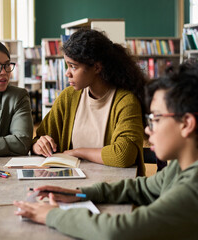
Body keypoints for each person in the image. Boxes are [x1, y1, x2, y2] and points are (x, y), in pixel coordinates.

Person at [14, 61, 198, 239]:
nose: (148, 130)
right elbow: (141, 188)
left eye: (156, 119)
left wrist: (51, 215)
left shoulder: (193, 187)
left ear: (187, 123)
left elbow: (119, 231)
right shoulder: (179, 166)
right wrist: (78, 193)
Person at [33, 28, 146, 175]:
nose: (67, 73)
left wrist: (78, 152)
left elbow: (123, 155)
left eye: (73, 66)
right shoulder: (68, 96)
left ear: (97, 67)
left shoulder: (125, 101)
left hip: (113, 186)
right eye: (67, 65)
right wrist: (38, 145)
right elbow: (38, 138)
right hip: (68, 181)